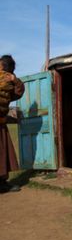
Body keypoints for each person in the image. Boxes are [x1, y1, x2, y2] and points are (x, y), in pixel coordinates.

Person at [0, 55, 25, 193]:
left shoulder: (9, 81)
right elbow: (19, 92)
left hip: (1, 124)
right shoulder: (9, 81)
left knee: (2, 154)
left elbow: (18, 92)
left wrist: (15, 80)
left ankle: (2, 184)